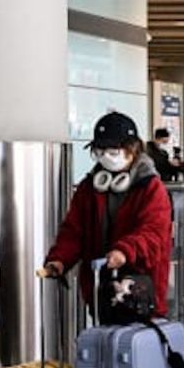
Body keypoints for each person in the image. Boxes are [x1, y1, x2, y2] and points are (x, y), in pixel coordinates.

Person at [42, 112, 173, 317]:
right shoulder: (90, 186)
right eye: (99, 151)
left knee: (137, 345)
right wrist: (59, 259)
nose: (106, 157)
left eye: (113, 150)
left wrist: (124, 251)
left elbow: (154, 233)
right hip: (101, 290)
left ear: (133, 149)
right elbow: (74, 230)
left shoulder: (150, 188)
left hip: (141, 291)